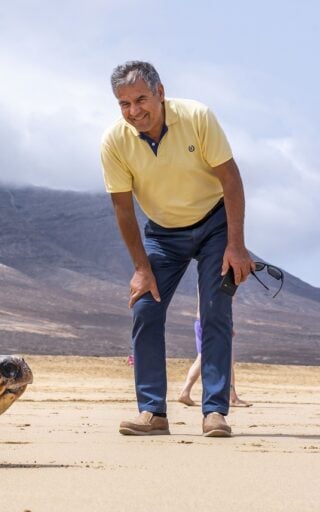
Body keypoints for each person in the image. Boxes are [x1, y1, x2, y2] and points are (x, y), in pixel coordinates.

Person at [100, 61, 254, 437]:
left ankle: (214, 412)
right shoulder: (115, 142)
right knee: (146, 308)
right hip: (163, 234)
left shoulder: (197, 117)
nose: (134, 111)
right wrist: (141, 267)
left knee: (216, 312)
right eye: (124, 103)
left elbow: (231, 180)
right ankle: (152, 412)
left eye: (141, 99)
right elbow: (123, 208)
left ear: (160, 93)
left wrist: (236, 245)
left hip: (214, 223)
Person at [178, 317, 251, 407]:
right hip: (215, 321)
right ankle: (233, 397)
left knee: (202, 357)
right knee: (228, 358)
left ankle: (185, 392)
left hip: (201, 321)